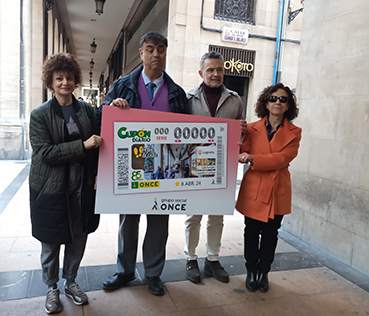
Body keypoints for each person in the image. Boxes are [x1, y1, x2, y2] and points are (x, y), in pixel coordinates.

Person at [100, 31, 188, 296]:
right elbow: (101, 118)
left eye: (161, 49)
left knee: (159, 223)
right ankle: (125, 270)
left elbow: (187, 131)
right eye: (150, 49)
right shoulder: (122, 85)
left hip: (164, 169)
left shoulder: (176, 93)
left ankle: (153, 273)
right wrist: (112, 107)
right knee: (128, 221)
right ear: (141, 53)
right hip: (132, 166)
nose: (156, 55)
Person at [29, 53, 102, 314]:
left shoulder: (87, 111)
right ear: (50, 81)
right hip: (50, 186)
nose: (65, 82)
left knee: (78, 236)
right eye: (59, 78)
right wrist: (82, 145)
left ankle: (71, 281)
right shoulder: (39, 115)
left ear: (75, 80)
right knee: (51, 240)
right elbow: (45, 153)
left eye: (69, 77)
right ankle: (51, 287)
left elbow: (100, 141)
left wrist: (96, 172)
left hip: (81, 183)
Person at [184, 51, 244, 284]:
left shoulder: (235, 100)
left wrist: (243, 130)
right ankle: (190, 258)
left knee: (217, 215)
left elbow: (241, 132)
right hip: (195, 165)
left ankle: (213, 259)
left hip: (222, 166)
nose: (215, 74)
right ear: (201, 73)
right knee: (194, 215)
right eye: (210, 70)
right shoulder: (188, 99)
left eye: (219, 69)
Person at [236, 83, 301, 293]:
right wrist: (238, 141)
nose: (278, 102)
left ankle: (264, 273)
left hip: (277, 190)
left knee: (271, 235)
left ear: (288, 104)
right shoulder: (252, 128)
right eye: (273, 98)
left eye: (283, 99)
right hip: (254, 188)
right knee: (251, 233)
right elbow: (242, 151)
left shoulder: (295, 132)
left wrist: (253, 158)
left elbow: (281, 159)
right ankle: (250, 271)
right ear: (266, 102)